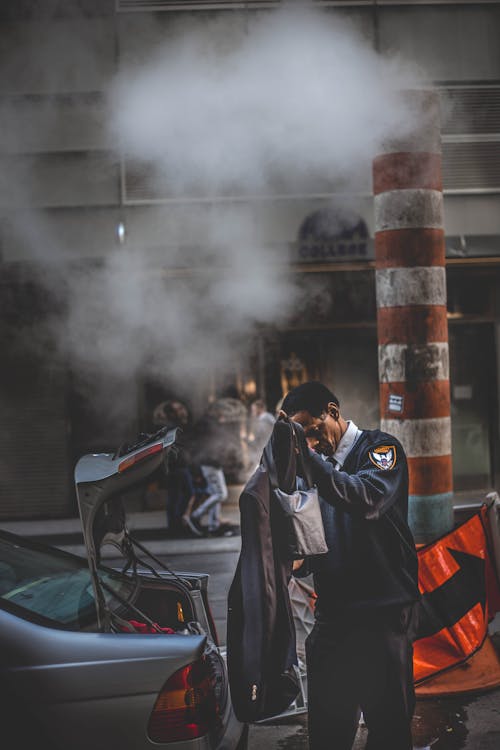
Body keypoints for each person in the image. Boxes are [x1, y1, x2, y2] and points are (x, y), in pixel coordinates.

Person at [275, 381, 420, 750]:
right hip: (334, 616)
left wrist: (307, 459)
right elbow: (313, 540)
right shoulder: (313, 468)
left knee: (388, 728)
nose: (309, 442)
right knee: (327, 731)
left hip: (383, 614)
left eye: (312, 430)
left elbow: (365, 498)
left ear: (333, 413)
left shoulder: (381, 450)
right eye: (302, 437)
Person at [247, 398, 275, 469]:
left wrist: (246, 440)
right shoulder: (269, 418)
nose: (252, 412)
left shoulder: (264, 420)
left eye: (253, 410)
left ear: (259, 409)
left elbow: (259, 441)